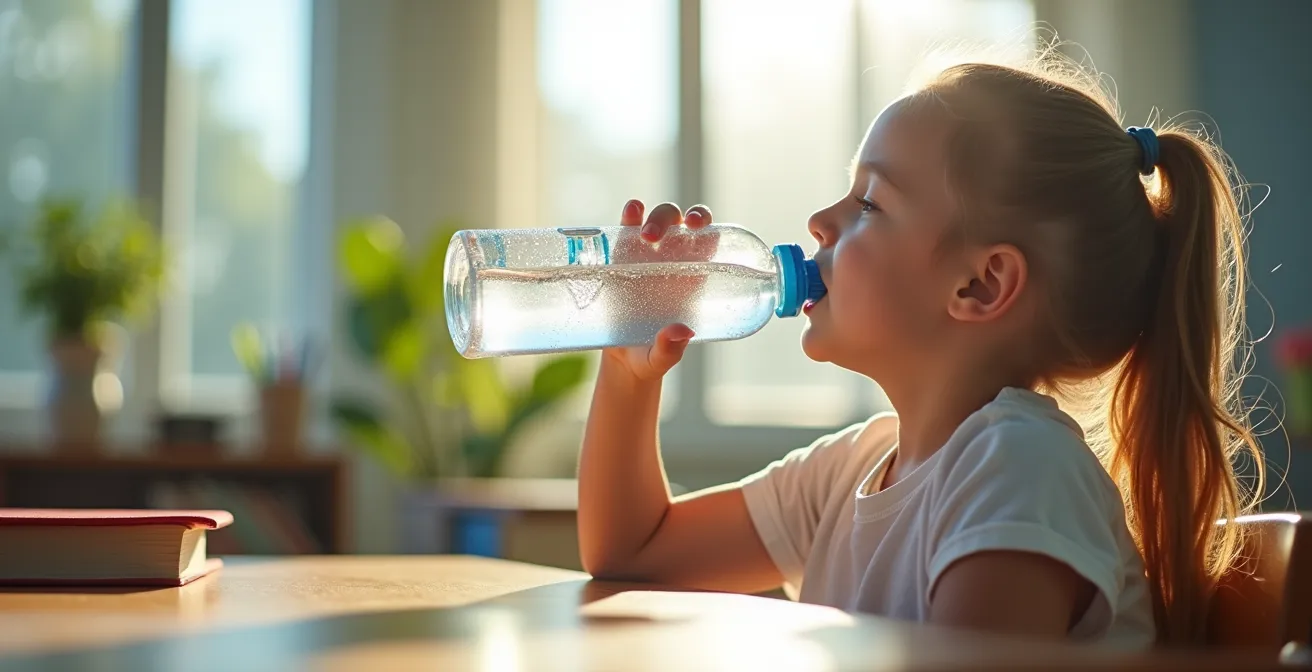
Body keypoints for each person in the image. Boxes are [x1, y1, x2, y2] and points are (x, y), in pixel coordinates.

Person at [576, 51, 1264, 648]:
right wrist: (628, 372)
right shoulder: (853, 469)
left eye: (870, 203)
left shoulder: (1019, 469)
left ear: (980, 284)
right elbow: (633, 551)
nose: (819, 221)